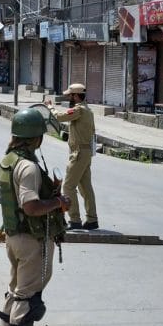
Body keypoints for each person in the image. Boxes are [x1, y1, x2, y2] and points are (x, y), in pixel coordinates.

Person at [0, 108, 70, 326]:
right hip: (31, 241)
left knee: (16, 292)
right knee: (27, 300)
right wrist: (58, 202)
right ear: (35, 137)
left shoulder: (9, 160)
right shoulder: (28, 167)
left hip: (14, 236)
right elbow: (30, 206)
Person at [45, 83, 98, 230]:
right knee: (86, 188)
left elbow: (59, 117)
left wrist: (49, 107)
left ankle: (75, 220)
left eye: (70, 95)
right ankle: (92, 219)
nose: (69, 97)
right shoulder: (88, 110)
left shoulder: (79, 110)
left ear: (75, 95)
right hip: (86, 152)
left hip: (79, 153)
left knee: (68, 186)